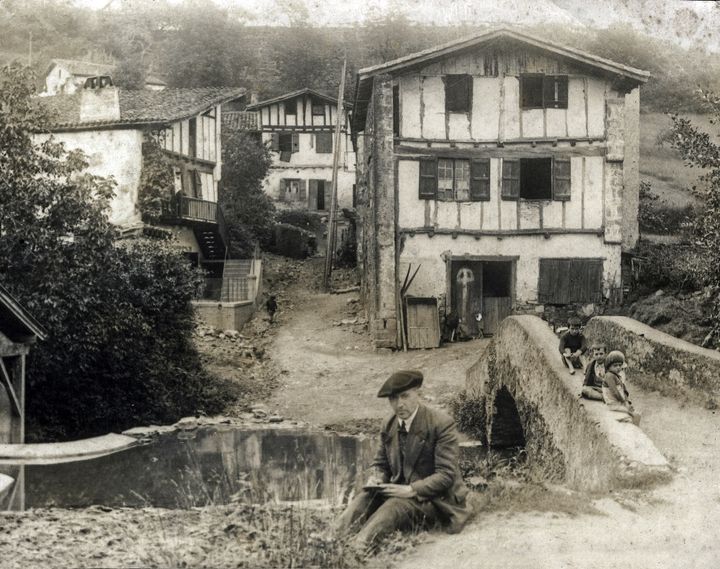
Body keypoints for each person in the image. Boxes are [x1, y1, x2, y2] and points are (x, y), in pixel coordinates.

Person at [334, 370, 472, 552]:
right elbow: (380, 464)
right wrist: (377, 478)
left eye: (405, 396)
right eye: (393, 399)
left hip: (438, 500)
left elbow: (446, 475)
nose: (399, 404)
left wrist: (411, 489)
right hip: (400, 493)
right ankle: (331, 541)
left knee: (394, 506)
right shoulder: (389, 424)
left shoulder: (441, 423)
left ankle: (358, 550)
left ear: (418, 393)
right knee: (365, 497)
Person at [602, 350, 641, 425]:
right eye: (615, 365)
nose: (618, 368)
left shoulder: (616, 375)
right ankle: (634, 431)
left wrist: (627, 401)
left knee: (634, 412)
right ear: (609, 366)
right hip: (613, 404)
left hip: (617, 402)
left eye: (620, 365)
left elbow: (622, 390)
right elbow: (615, 391)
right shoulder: (609, 376)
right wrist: (624, 402)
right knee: (635, 415)